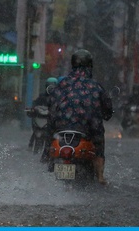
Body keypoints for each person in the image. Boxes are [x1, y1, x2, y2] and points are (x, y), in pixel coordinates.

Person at [44, 49, 113, 184]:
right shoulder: (95, 87)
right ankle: (100, 176)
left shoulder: (62, 84)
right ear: (90, 65)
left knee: (49, 134)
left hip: (61, 129)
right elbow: (107, 111)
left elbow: (50, 105)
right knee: (99, 141)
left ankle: (46, 159)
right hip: (86, 129)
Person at [28, 77, 58, 149]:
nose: (51, 87)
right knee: (35, 132)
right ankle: (30, 145)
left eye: (53, 85)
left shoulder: (58, 97)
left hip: (51, 122)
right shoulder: (42, 97)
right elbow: (35, 105)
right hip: (41, 120)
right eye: (49, 85)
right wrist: (32, 110)